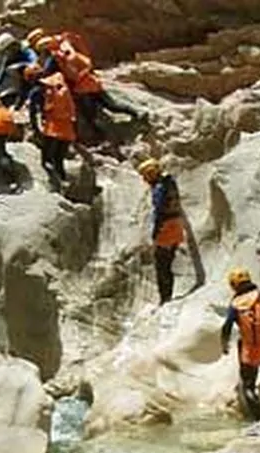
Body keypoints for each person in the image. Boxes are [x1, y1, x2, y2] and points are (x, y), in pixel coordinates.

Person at [36, 35, 146, 143]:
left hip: (82, 90)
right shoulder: (68, 50)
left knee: (89, 116)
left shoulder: (54, 59)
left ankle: (101, 137)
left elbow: (48, 75)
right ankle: (137, 112)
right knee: (111, 104)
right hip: (92, 82)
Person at [220, 267, 260, 436]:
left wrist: (224, 344)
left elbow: (227, 326)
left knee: (247, 385)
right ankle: (259, 413)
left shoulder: (235, 304)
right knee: (251, 371)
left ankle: (259, 421)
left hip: (252, 348)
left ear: (234, 285)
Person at [137, 159, 185, 305]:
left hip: (165, 228)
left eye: (146, 176)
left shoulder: (159, 187)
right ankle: (168, 295)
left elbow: (159, 210)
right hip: (176, 225)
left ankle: (165, 298)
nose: (145, 180)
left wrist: (156, 233)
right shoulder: (170, 182)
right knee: (168, 262)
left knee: (161, 265)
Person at [25, 64, 76, 190]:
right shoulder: (58, 83)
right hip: (67, 126)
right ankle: (64, 183)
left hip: (52, 127)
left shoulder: (36, 91)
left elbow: (33, 113)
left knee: (46, 159)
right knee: (59, 159)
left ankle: (52, 187)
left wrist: (36, 129)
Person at [0, 31, 38, 108]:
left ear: (14, 44)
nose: (8, 52)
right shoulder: (8, 57)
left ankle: (27, 99)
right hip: (20, 82)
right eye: (5, 51)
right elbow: (0, 74)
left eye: (8, 49)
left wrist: (23, 65)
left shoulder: (25, 50)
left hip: (33, 75)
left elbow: (34, 60)